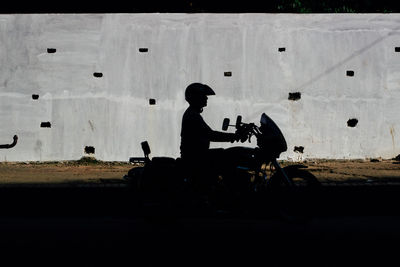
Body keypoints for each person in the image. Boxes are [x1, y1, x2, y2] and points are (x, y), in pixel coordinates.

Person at [180, 83, 241, 195]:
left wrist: (233, 137)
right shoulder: (192, 116)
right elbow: (210, 135)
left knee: (228, 155)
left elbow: (209, 134)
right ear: (195, 97)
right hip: (195, 158)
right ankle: (233, 194)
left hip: (196, 155)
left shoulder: (193, 114)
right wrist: (234, 137)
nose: (206, 98)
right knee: (227, 157)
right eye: (203, 95)